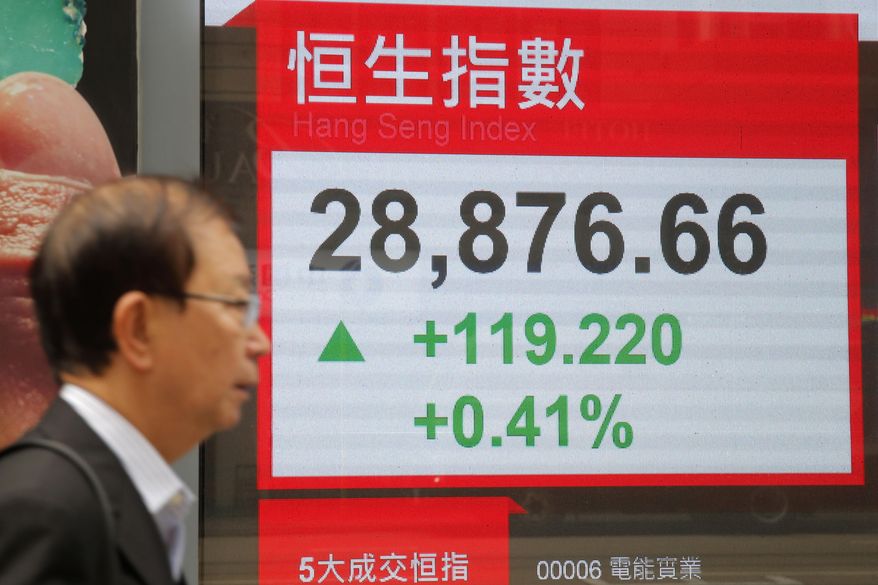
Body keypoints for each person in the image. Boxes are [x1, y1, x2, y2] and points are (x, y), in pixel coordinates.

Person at [0, 176, 271, 585]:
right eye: (234, 305)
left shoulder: (119, 500)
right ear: (139, 328)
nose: (259, 342)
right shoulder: (46, 510)